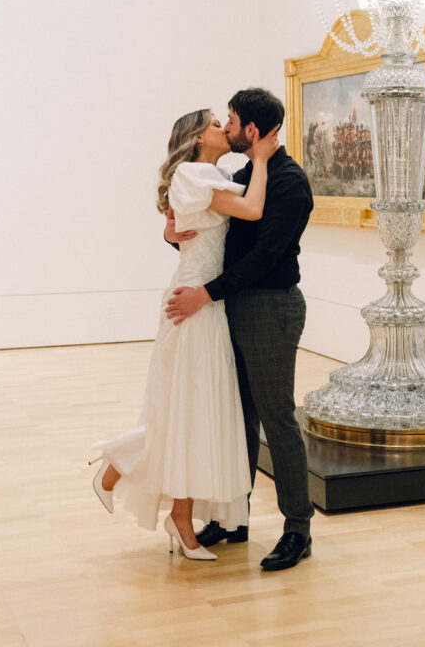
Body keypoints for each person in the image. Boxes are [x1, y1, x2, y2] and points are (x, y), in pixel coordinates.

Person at [90, 109, 279, 561]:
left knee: (194, 408)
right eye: (216, 124)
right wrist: (265, 159)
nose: (224, 129)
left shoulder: (203, 173)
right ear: (197, 136)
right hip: (193, 301)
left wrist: (172, 229)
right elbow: (252, 209)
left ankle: (174, 508)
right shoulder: (195, 172)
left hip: (203, 299)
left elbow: (182, 227)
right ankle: (121, 472)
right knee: (188, 407)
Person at [164, 87, 315, 571]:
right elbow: (212, 240)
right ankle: (236, 518)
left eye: (229, 121)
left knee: (276, 418)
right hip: (231, 305)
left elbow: (264, 257)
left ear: (251, 130)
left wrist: (206, 294)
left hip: (270, 308)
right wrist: (173, 232)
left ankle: (298, 529)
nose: (226, 128)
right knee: (238, 417)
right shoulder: (247, 174)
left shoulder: (290, 183)